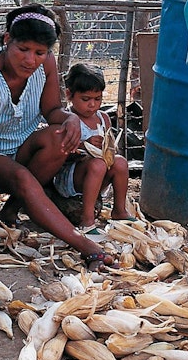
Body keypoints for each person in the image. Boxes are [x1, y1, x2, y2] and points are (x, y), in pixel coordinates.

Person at [0, 4, 115, 271]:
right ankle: (86, 246)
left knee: (59, 136)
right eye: (23, 50)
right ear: (7, 41)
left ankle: (13, 208)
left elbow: (51, 111)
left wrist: (70, 118)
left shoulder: (45, 64)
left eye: (40, 52)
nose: (31, 60)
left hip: (21, 147)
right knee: (21, 177)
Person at [52, 62, 133, 233]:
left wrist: (109, 149)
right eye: (86, 99)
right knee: (98, 164)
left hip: (98, 174)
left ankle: (119, 211)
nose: (92, 105)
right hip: (71, 178)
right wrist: (83, 145)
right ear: (69, 95)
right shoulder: (67, 118)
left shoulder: (103, 118)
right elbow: (57, 153)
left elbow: (109, 145)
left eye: (98, 99)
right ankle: (87, 220)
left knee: (120, 163)